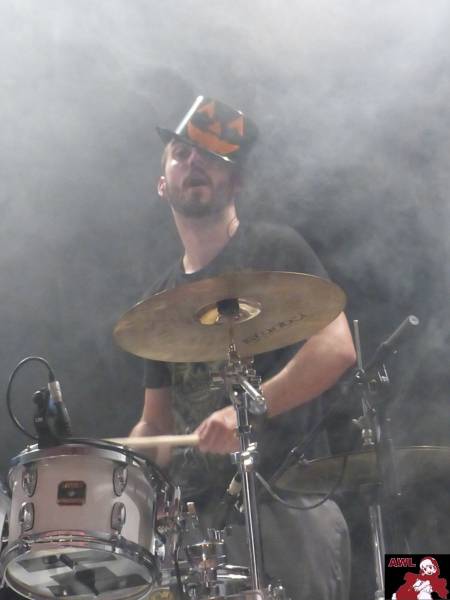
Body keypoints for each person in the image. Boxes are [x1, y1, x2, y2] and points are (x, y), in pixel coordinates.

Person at [131, 96, 356, 599]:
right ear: (162, 183)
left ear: (235, 182)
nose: (194, 161)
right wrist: (114, 468)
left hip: (286, 502)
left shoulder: (275, 250)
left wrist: (247, 410)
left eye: (210, 157)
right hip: (198, 528)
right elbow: (157, 425)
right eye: (181, 153)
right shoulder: (158, 304)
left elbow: (337, 347)